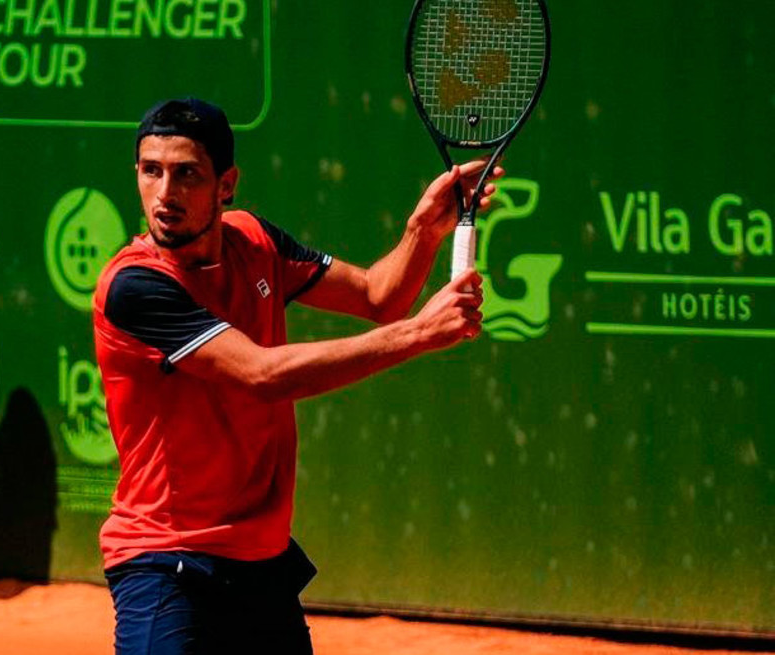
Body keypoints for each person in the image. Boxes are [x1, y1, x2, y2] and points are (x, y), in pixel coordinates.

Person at [93, 98, 498, 653]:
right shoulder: (135, 287)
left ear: (226, 184)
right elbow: (260, 374)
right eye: (151, 171)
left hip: (261, 563)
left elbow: (380, 296)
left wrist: (422, 231)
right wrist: (418, 335)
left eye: (187, 174)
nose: (165, 194)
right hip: (168, 560)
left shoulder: (253, 241)